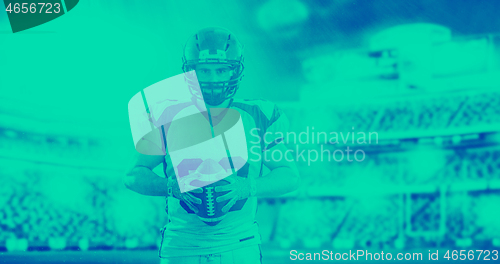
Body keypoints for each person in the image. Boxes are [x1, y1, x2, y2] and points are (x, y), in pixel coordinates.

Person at [124, 27, 300, 264]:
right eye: (204, 70)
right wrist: (170, 186)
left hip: (239, 245)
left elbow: (289, 176)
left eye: (221, 70)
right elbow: (133, 175)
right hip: (181, 246)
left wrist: (247, 187)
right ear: (189, 72)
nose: (213, 79)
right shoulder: (166, 115)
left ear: (235, 71)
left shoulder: (260, 114)